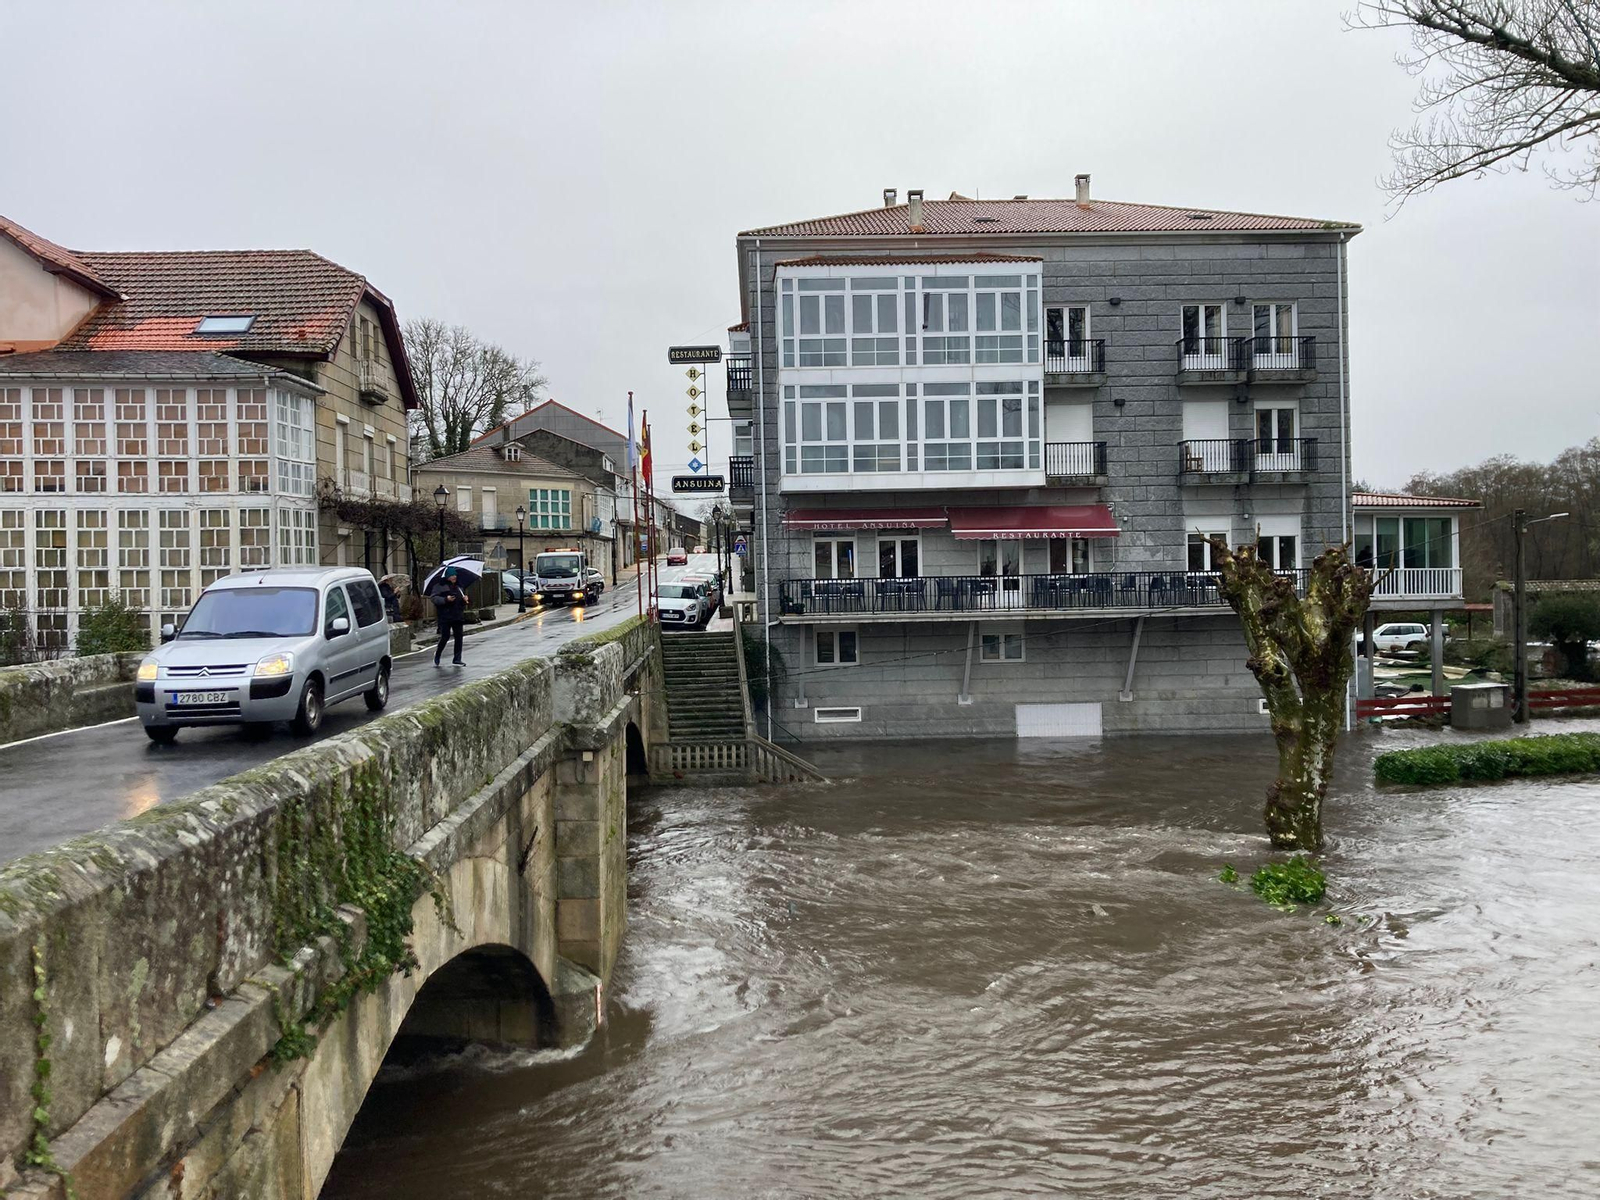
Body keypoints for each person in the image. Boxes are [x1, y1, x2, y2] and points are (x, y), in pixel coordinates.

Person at [428, 567, 468, 667]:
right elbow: (434, 598)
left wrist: (464, 600)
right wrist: (446, 599)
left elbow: (461, 603)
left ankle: (457, 659)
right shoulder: (440, 586)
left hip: (457, 615)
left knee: (459, 637)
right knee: (445, 637)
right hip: (445, 616)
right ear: (447, 576)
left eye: (455, 575)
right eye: (451, 575)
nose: (454, 577)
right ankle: (437, 654)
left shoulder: (459, 587)